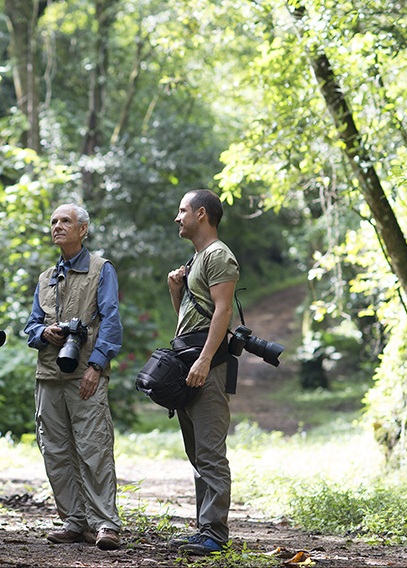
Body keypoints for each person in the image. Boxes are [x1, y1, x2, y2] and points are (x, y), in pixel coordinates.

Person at [23, 204, 124, 551]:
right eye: (53, 221)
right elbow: (30, 326)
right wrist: (44, 333)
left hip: (85, 374)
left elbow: (111, 322)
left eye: (65, 221)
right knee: (55, 450)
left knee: (93, 447)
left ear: (83, 229)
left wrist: (96, 366)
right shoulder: (45, 277)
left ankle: (105, 523)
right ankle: (74, 521)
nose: (57, 226)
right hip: (48, 375)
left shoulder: (101, 269)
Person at [166, 190, 239, 555]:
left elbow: (223, 312)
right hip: (188, 363)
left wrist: (206, 360)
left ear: (201, 213)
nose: (177, 218)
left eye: (182, 211)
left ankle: (215, 533)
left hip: (206, 368)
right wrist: (175, 292)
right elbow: (191, 319)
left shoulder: (218, 255)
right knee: (197, 454)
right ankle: (203, 530)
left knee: (210, 451)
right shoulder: (195, 259)